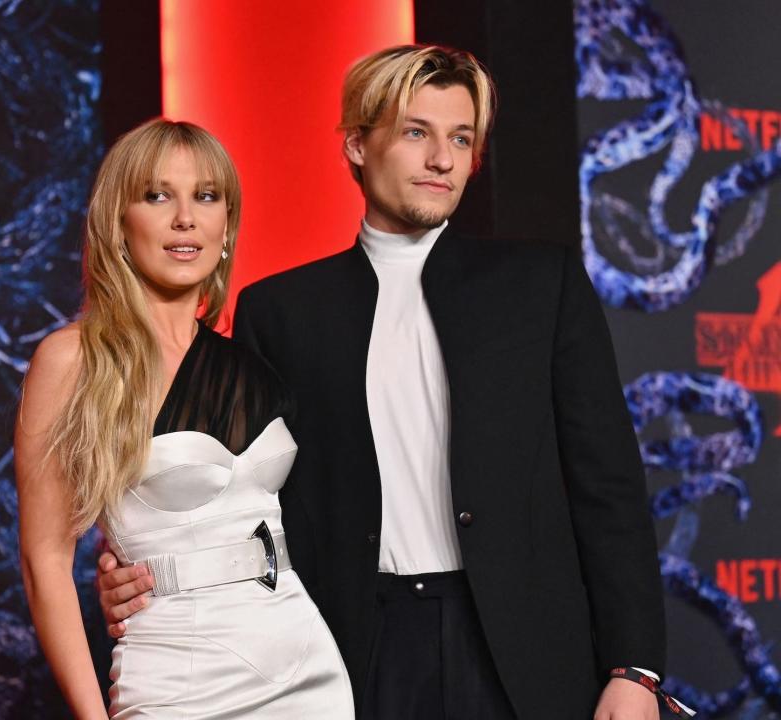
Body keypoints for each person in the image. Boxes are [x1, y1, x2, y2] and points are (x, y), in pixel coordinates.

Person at [98, 46, 674, 719]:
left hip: (525, 647)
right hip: (348, 651)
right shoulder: (281, 311)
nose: (442, 159)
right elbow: (242, 495)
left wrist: (635, 667)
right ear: (356, 146)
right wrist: (139, 571)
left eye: (461, 138)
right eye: (415, 133)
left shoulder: (540, 286)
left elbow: (608, 486)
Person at [15, 119, 354, 719]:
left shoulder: (254, 361)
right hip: (175, 680)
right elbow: (44, 561)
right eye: (157, 195)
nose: (185, 218)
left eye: (205, 196)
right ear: (119, 220)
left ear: (226, 222)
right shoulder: (72, 361)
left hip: (305, 667)